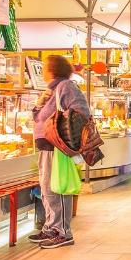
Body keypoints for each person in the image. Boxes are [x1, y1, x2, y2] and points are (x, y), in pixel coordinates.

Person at [30, 54, 91, 249]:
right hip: (46, 146)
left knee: (58, 187)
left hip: (57, 146)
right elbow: (37, 116)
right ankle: (51, 227)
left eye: (45, 66)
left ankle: (63, 232)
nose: (43, 70)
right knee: (47, 188)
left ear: (52, 69)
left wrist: (61, 119)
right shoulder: (51, 89)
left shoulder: (66, 86)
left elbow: (82, 111)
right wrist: (39, 103)